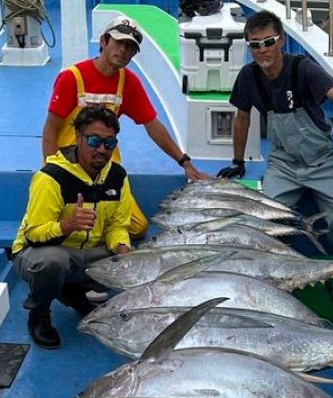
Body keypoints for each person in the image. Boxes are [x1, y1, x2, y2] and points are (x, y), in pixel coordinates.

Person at [217, 10, 333, 257]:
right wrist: (237, 162)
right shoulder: (248, 76)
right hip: (283, 164)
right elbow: (242, 119)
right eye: (255, 45)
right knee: (263, 217)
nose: (263, 50)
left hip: (321, 161)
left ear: (280, 41)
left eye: (268, 42)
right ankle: (273, 264)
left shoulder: (303, 68)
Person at [41, 14, 209, 238]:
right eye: (119, 42)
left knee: (138, 227)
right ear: (103, 42)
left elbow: (152, 125)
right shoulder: (72, 78)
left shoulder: (128, 82)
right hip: (67, 165)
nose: (123, 50)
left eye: (130, 47)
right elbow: (50, 132)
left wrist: (185, 162)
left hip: (104, 167)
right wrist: (52, 176)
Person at [12, 106, 133, 349]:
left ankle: (69, 289)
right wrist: (66, 226)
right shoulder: (51, 178)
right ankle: (39, 313)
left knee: (130, 259)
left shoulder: (117, 176)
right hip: (36, 253)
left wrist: (122, 248)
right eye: (94, 141)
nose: (101, 149)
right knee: (51, 262)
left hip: (86, 254)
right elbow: (34, 235)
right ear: (78, 138)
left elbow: (117, 225)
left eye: (109, 143)